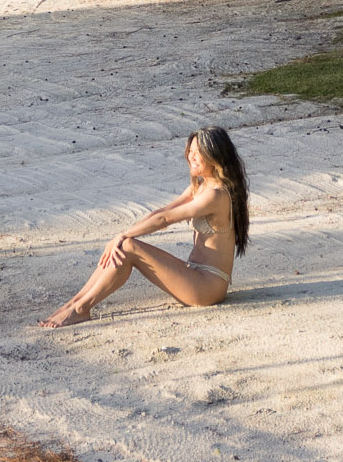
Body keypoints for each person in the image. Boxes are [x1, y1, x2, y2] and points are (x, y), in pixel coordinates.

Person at [38, 128, 249, 328]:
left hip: (207, 288)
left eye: (198, 153)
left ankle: (81, 307)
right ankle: (75, 303)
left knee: (128, 246)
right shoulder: (202, 185)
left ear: (215, 156)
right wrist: (118, 239)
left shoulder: (217, 195)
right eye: (190, 151)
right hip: (193, 273)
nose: (191, 157)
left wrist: (124, 235)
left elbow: (165, 220)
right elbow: (160, 212)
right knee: (123, 245)